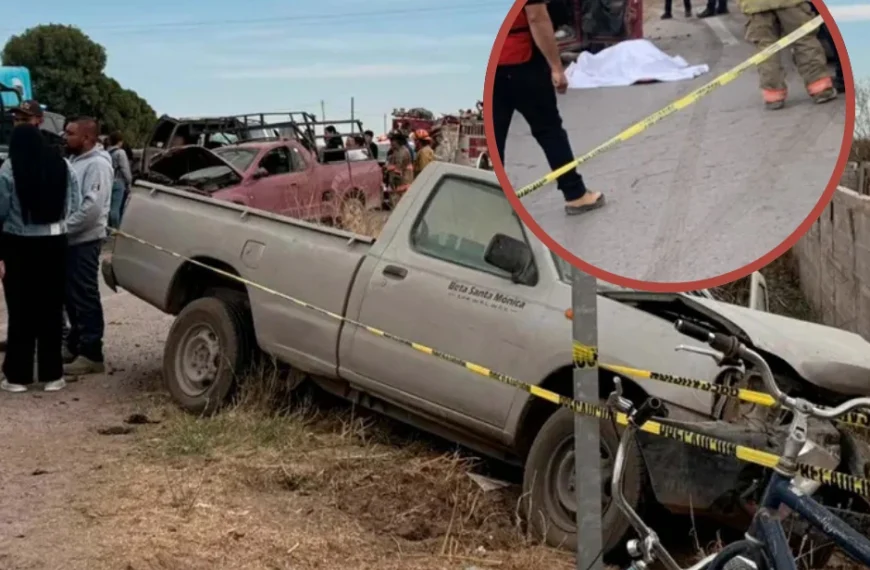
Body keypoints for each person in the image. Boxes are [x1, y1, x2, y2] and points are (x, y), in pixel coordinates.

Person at [491, 0, 605, 216]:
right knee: (549, 129)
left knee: (494, 137)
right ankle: (575, 194)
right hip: (522, 60)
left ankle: (489, 202)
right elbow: (536, 17)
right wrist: (556, 67)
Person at [0, 124, 81, 392]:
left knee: (20, 310)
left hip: (18, 244)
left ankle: (17, 376)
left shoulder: (9, 168)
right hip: (55, 243)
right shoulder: (63, 165)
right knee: (51, 309)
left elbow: (1, 209)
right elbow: (75, 203)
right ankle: (52, 375)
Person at [63, 117, 113, 375]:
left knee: (84, 295)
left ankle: (92, 353)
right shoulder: (76, 160)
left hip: (84, 240)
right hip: (71, 240)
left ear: (86, 138)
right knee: (70, 296)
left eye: (70, 133)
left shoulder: (97, 165)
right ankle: (75, 344)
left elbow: (91, 209)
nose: (65, 137)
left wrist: (63, 228)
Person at [741, 0, 836, 109]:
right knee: (804, 41)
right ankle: (820, 89)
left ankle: (773, 96)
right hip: (790, 3)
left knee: (766, 50)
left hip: (754, 5)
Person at [107, 131, 133, 229]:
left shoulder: (107, 152)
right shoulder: (120, 153)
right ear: (119, 142)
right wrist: (129, 182)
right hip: (118, 182)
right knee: (116, 208)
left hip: (109, 181)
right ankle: (115, 229)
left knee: (108, 207)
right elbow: (125, 169)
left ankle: (107, 227)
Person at [384, 131, 414, 207]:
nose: (391, 142)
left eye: (392, 140)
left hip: (401, 183)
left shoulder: (402, 152)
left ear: (398, 141)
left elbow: (398, 168)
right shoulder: (396, 151)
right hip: (398, 184)